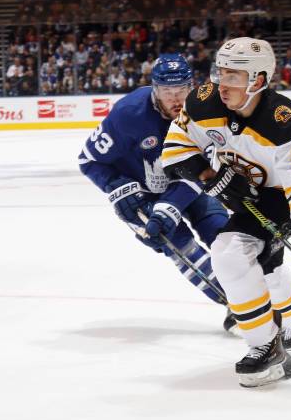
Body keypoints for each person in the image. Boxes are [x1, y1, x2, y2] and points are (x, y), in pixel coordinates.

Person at [161, 38, 291, 387]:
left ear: (258, 80)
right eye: (220, 72)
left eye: (234, 76)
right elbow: (175, 149)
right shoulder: (202, 100)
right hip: (241, 193)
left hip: (276, 198)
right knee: (261, 261)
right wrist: (213, 178)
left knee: (230, 254)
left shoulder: (283, 121)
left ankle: (265, 347)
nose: (223, 84)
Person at [78, 54, 236, 333]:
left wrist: (172, 205)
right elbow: (88, 160)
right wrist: (116, 187)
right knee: (181, 249)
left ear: (192, 86)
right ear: (154, 89)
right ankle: (237, 307)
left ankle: (260, 298)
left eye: (182, 91)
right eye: (167, 92)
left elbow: (206, 168)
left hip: (190, 184)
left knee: (226, 237)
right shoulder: (129, 114)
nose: (176, 99)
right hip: (142, 196)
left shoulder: (205, 110)